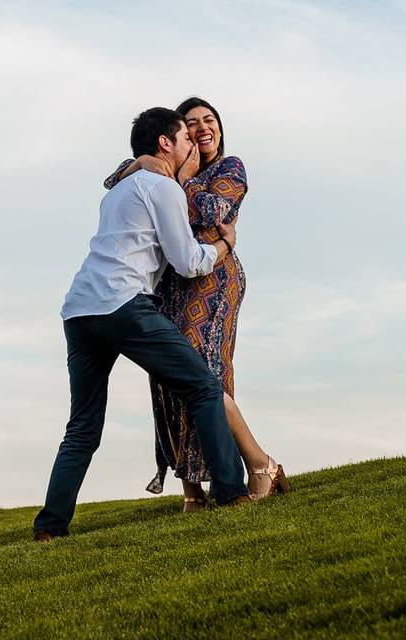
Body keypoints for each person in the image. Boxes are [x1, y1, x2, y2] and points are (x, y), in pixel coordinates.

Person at [33, 107, 251, 541]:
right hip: (123, 306)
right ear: (166, 144)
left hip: (78, 311)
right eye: (185, 138)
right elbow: (188, 262)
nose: (193, 144)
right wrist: (225, 245)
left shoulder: (117, 191)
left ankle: (50, 527)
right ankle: (232, 493)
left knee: (82, 427)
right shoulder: (162, 188)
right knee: (204, 387)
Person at [104, 97, 289, 512]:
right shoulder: (156, 167)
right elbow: (112, 180)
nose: (202, 128)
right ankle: (192, 491)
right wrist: (142, 166)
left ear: (219, 129)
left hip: (212, 277)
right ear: (177, 135)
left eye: (209, 121)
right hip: (167, 282)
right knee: (168, 379)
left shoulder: (230, 168)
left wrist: (177, 176)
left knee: (203, 372)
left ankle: (260, 465)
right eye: (191, 124)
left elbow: (214, 209)